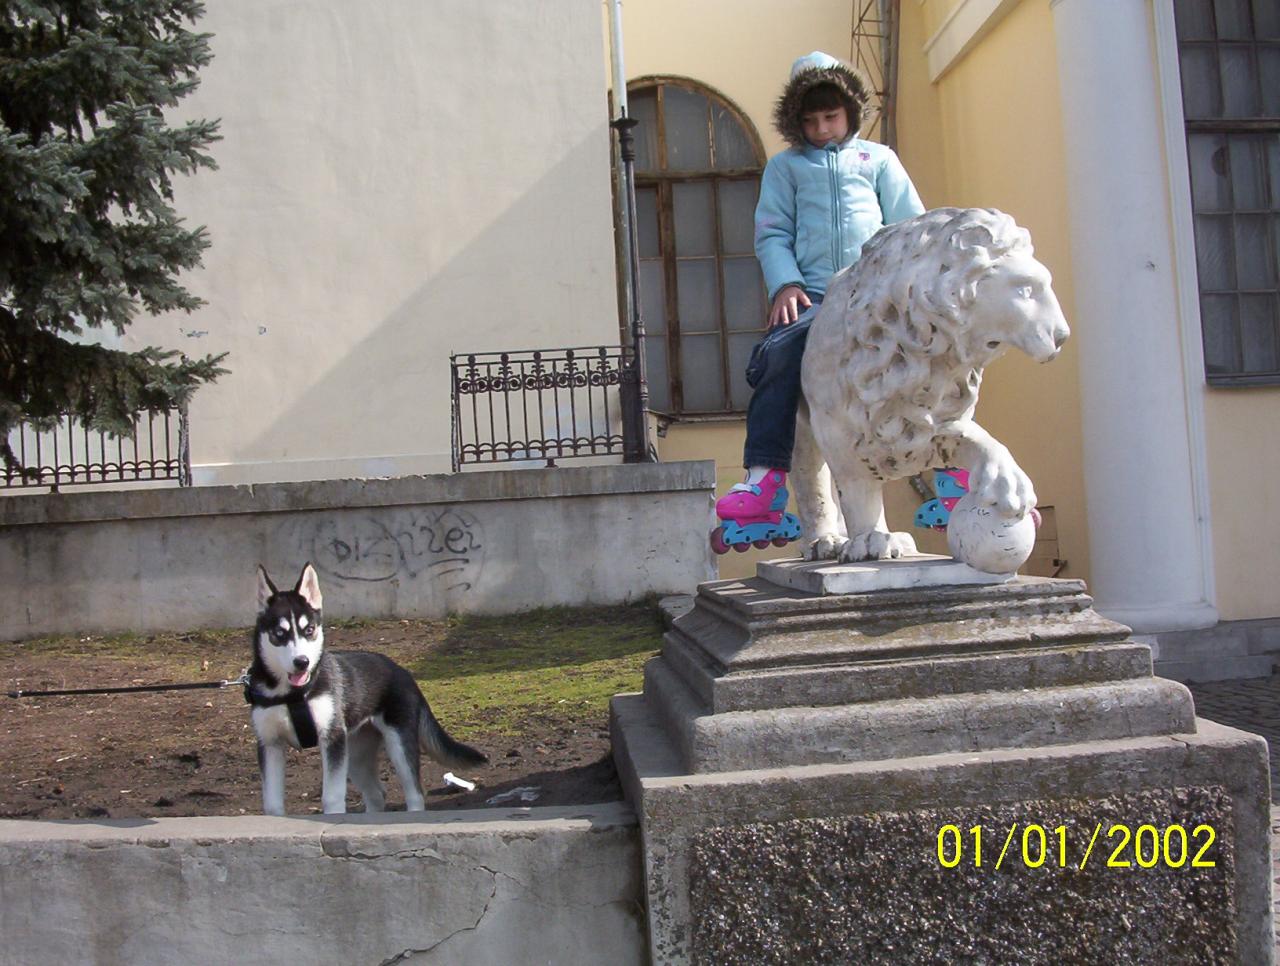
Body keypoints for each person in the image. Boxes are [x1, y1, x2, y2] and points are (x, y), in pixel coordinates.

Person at [714, 51, 926, 534]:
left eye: (831, 117)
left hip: (875, 292)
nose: (822, 129)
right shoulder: (785, 168)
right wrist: (786, 284)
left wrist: (906, 285)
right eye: (810, 121)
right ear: (796, 122)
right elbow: (772, 232)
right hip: (814, 295)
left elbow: (909, 226)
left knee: (930, 349)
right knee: (778, 354)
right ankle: (765, 476)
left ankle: (951, 464)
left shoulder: (878, 160)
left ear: (850, 111)